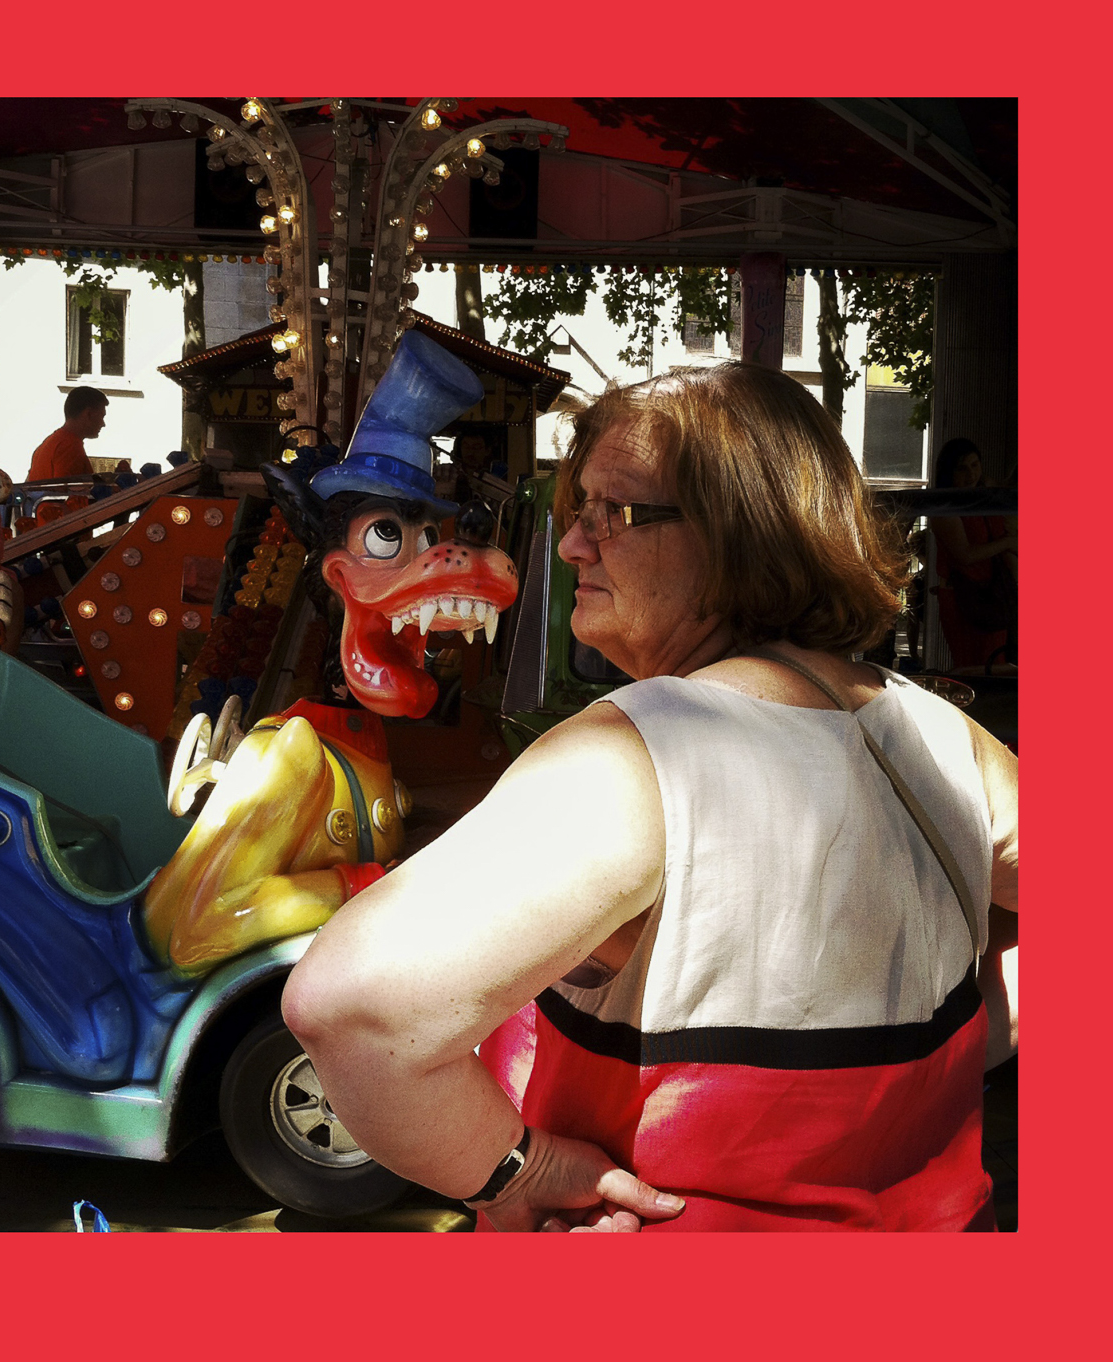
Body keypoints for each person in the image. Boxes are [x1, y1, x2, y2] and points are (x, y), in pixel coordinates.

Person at [283, 363, 1019, 1231]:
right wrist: (948, 1050)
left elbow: (350, 1011)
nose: (572, 544)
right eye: (578, 511)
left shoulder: (646, 752)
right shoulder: (939, 732)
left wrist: (518, 1172)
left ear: (746, 529)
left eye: (614, 512)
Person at [927, 438, 1016, 668]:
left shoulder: (985, 491)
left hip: (995, 591)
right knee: (974, 665)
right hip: (964, 595)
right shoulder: (944, 508)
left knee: (995, 662)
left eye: (975, 465)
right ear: (949, 472)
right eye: (962, 468)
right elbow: (965, 555)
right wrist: (1007, 543)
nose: (971, 474)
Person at [27, 387, 108, 482]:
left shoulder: (48, 444)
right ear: (88, 414)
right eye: (102, 416)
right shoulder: (70, 447)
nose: (103, 424)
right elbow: (67, 490)